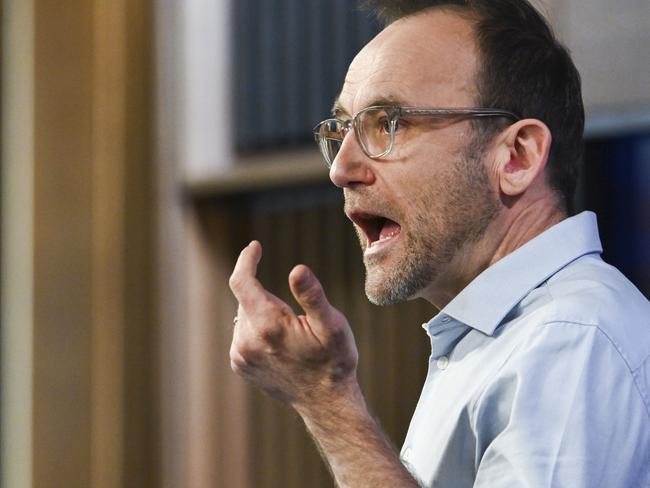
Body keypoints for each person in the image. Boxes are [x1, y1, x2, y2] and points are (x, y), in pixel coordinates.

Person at [229, 0, 650, 486]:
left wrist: (326, 398)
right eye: (342, 129)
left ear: (516, 156)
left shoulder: (571, 339)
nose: (339, 169)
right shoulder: (503, 340)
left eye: (388, 123)